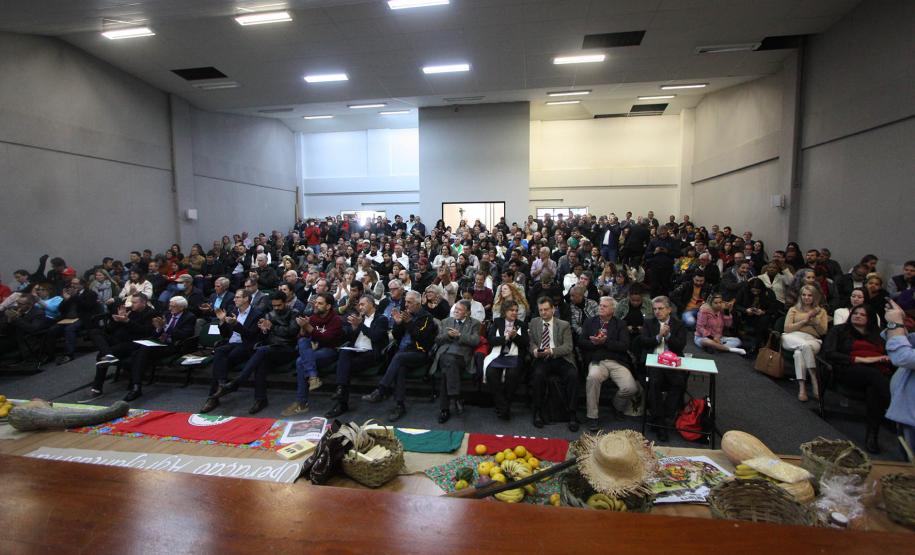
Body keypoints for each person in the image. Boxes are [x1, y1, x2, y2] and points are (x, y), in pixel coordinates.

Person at [823, 305, 892, 453]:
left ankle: (872, 436)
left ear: (870, 319)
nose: (858, 316)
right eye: (855, 313)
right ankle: (893, 407)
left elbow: (889, 353)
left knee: (874, 389)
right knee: (874, 377)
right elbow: (829, 353)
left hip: (876, 372)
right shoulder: (839, 330)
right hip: (848, 370)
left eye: (863, 314)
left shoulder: (879, 334)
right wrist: (859, 359)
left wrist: (882, 358)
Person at [220, 293, 301, 414]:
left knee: (261, 351)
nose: (276, 308)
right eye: (274, 306)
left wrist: (272, 327)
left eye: (279, 305)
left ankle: (239, 380)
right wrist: (264, 330)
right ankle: (260, 399)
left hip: (287, 349)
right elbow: (264, 336)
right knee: (260, 361)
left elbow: (292, 332)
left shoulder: (294, 313)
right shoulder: (269, 314)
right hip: (271, 348)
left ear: (286, 303)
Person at [363, 290, 437, 422]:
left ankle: (381, 390)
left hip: (419, 353)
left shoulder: (427, 318)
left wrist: (408, 323)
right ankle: (399, 405)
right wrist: (398, 325)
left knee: (398, 358)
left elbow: (422, 338)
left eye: (409, 302)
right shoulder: (405, 315)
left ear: (418, 303)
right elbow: (397, 337)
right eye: (405, 302)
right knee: (400, 367)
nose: (406, 305)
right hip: (403, 353)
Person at [83, 293, 159, 402]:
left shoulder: (151, 313)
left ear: (143, 303)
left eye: (134, 302)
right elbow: (109, 329)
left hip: (134, 343)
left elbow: (145, 332)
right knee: (94, 332)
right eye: (131, 302)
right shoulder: (130, 311)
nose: (131, 304)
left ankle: (97, 388)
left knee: (101, 355)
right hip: (119, 340)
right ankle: (108, 354)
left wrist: (127, 321)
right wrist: (117, 320)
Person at [200, 289, 263, 414]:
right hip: (231, 343)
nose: (234, 299)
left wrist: (236, 325)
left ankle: (213, 396)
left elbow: (251, 336)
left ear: (246, 299)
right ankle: (222, 384)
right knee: (219, 351)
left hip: (246, 345)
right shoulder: (233, 311)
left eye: (238, 297)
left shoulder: (257, 314)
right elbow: (225, 335)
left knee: (223, 360)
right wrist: (222, 321)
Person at [325, 295, 390, 418]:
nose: (360, 307)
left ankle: (341, 400)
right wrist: (354, 329)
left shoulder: (381, 319)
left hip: (370, 353)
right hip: (356, 350)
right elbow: (350, 338)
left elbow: (376, 336)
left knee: (344, 366)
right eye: (359, 304)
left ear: (371, 304)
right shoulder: (360, 319)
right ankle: (341, 390)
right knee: (344, 353)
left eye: (363, 304)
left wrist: (360, 325)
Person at [579, 297, 637, 432]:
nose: (601, 308)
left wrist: (605, 342)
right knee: (593, 377)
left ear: (612, 310)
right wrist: (593, 343)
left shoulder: (620, 324)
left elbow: (624, 346)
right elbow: (581, 343)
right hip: (597, 361)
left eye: (605, 306)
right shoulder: (590, 322)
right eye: (600, 305)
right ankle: (592, 416)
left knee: (630, 388)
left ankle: (616, 406)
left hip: (616, 361)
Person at [123, 296, 196, 402]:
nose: (170, 309)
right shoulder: (166, 314)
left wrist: (165, 327)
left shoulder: (189, 317)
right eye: (170, 305)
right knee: (139, 351)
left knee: (140, 352)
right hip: (159, 343)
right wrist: (159, 328)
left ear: (181, 307)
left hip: (173, 346)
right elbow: (155, 333)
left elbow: (184, 335)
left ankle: (135, 385)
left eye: (173, 306)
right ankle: (136, 384)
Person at [639, 296, 688, 442]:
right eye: (654, 309)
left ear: (669, 310)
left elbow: (680, 346)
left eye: (660, 309)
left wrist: (669, 336)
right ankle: (663, 423)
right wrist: (659, 336)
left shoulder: (678, 325)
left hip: (671, 361)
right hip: (654, 360)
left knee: (679, 383)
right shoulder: (649, 323)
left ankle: (662, 417)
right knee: (654, 383)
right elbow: (644, 342)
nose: (657, 312)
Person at [529, 297, 579, 431]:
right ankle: (537, 412)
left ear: (553, 309)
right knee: (538, 375)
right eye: (541, 310)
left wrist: (550, 351)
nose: (543, 312)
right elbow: (532, 342)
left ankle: (572, 413)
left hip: (560, 357)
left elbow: (568, 347)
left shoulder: (564, 325)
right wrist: (535, 351)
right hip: (542, 359)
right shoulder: (534, 323)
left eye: (546, 309)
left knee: (572, 375)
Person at [288, 292, 343, 415]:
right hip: (314, 350)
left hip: (330, 351)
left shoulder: (336, 319)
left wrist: (309, 328)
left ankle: (302, 402)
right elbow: (302, 337)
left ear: (328, 306)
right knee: (302, 341)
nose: (316, 305)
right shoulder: (313, 318)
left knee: (300, 361)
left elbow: (327, 339)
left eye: (320, 303)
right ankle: (313, 377)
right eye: (316, 303)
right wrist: (303, 328)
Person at [430, 300, 481, 423]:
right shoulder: (446, 321)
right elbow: (437, 340)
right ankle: (455, 397)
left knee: (446, 372)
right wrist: (448, 336)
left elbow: (475, 341)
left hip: (462, 357)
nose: (456, 311)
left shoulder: (475, 323)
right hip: (444, 354)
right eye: (455, 309)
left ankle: (445, 409)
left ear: (467, 312)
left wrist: (459, 336)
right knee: (449, 360)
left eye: (459, 309)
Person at [781, 285, 829, 402]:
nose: (806, 297)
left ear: (815, 297)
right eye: (804, 295)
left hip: (812, 340)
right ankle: (813, 378)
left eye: (810, 295)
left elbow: (823, 331)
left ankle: (802, 388)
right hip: (793, 337)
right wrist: (805, 320)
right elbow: (787, 329)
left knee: (799, 353)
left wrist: (815, 320)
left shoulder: (821, 312)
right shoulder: (793, 309)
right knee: (803, 346)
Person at [41, 277, 99, 366]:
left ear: (82, 284)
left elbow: (88, 307)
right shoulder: (70, 295)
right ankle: (50, 355)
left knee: (69, 329)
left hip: (83, 318)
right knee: (52, 330)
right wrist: (66, 299)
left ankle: (69, 354)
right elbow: (60, 309)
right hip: (68, 318)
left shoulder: (90, 293)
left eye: (75, 284)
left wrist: (75, 296)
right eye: (72, 283)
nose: (72, 285)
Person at [484, 300, 527, 420]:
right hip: (498, 354)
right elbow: (491, 340)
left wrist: (515, 337)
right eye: (511, 310)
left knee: (513, 375)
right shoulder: (497, 322)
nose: (514, 313)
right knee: (491, 373)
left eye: (516, 310)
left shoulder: (521, 324)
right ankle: (504, 406)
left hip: (515, 355)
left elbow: (525, 343)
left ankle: (503, 407)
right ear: (505, 311)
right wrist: (505, 338)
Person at [884, 300, 915, 452]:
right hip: (906, 410)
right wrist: (901, 322)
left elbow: (904, 357)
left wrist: (895, 324)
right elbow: (909, 342)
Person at [734, 277, 778, 353]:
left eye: (757, 291)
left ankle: (757, 344)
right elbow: (737, 305)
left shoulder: (768, 293)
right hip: (746, 315)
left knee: (764, 320)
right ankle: (740, 340)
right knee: (735, 314)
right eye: (753, 291)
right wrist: (745, 310)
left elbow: (773, 308)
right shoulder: (744, 291)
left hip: (761, 316)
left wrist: (763, 312)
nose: (755, 293)